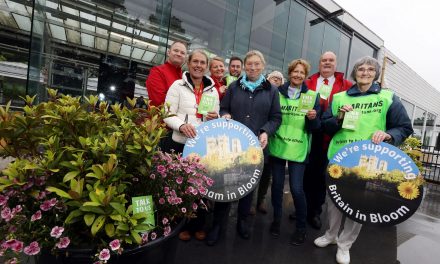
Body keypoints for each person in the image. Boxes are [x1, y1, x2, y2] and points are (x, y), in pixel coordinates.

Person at [314, 56, 413, 264]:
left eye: (370, 69)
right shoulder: (340, 97)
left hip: (368, 162)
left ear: (376, 74)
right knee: (333, 202)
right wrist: (339, 117)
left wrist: (388, 135)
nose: (365, 72)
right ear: (355, 72)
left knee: (357, 203)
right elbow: (325, 125)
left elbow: (404, 127)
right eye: (361, 69)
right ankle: (331, 235)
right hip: (339, 158)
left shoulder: (388, 97)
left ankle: (344, 244)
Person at [206, 50, 281, 246]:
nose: (253, 67)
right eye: (250, 64)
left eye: (257, 64)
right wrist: (225, 114)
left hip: (255, 149)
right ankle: (217, 225)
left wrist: (265, 131)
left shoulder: (272, 90)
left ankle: (242, 222)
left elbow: (276, 118)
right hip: (231, 149)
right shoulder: (233, 87)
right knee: (225, 185)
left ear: (263, 66)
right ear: (245, 66)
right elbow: (224, 108)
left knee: (248, 189)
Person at [163, 49, 220, 241]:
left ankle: (199, 225)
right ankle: (182, 225)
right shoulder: (177, 85)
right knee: (181, 186)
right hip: (180, 143)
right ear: (188, 63)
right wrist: (181, 125)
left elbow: (215, 119)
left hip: (202, 146)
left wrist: (215, 117)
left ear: (207, 66)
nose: (198, 65)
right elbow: (167, 113)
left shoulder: (212, 89)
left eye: (202, 62)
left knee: (201, 188)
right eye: (195, 61)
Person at [269, 59, 320, 245]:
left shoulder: (313, 96)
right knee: (276, 186)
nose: (298, 75)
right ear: (289, 73)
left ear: (305, 76)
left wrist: (313, 118)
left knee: (297, 189)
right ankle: (276, 220)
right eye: (295, 71)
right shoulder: (276, 92)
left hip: (299, 147)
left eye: (302, 73)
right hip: (277, 145)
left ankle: (301, 227)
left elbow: (316, 126)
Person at [303, 51, 352, 229]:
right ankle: (302, 208)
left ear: (336, 64)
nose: (327, 63)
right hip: (308, 135)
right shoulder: (308, 82)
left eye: (331, 60)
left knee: (321, 178)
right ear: (319, 63)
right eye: (324, 60)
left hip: (330, 137)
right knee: (306, 175)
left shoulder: (346, 85)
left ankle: (315, 211)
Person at [146, 41, 187, 107]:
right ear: (168, 52)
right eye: (176, 51)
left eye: (182, 53)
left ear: (185, 58)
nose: (179, 54)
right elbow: (158, 100)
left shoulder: (184, 77)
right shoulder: (157, 71)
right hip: (162, 116)